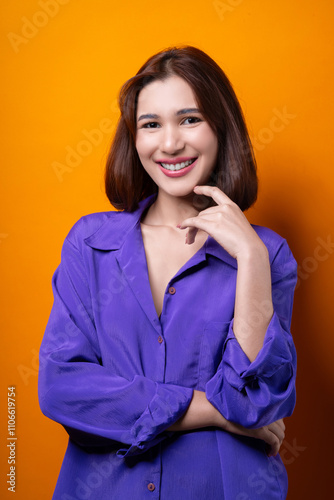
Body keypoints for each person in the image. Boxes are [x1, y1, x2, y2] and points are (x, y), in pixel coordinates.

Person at [38, 46, 297, 499]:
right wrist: (214, 411)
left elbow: (258, 400)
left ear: (221, 128)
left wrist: (251, 259)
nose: (170, 143)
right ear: (134, 138)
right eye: (151, 124)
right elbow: (63, 388)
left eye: (190, 119)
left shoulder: (267, 255)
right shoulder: (90, 244)